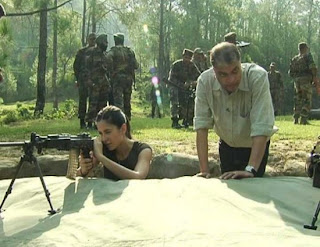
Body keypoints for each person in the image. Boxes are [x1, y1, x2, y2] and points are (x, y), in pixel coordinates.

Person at [194, 42, 275, 180]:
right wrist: (204, 170)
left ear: (240, 63)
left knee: (255, 191)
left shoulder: (257, 77)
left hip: (255, 147)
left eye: (235, 71)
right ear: (213, 71)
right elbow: (201, 126)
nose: (231, 80)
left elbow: (262, 126)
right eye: (223, 74)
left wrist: (251, 169)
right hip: (227, 146)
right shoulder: (204, 82)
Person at [77, 105, 152, 180]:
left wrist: (101, 157)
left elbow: (138, 177)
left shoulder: (143, 150)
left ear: (123, 129)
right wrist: (83, 170)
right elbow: (74, 176)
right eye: (101, 133)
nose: (104, 138)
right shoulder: (103, 147)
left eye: (108, 132)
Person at [106, 33, 139, 120]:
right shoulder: (129, 51)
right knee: (127, 100)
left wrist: (111, 70)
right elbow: (136, 65)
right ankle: (127, 119)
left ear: (115, 41)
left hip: (117, 78)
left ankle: (120, 119)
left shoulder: (113, 51)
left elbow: (107, 59)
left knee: (118, 100)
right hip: (128, 78)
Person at [168, 48, 200, 128]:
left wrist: (191, 83)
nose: (187, 59)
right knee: (174, 99)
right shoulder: (176, 65)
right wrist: (182, 85)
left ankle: (186, 119)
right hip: (175, 86)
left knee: (189, 99)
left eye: (189, 58)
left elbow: (199, 77)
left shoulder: (192, 66)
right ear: (183, 57)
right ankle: (174, 120)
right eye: (185, 57)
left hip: (186, 89)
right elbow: (171, 79)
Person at [85, 34, 112, 129]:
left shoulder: (105, 54)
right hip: (94, 82)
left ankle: (100, 123)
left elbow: (108, 68)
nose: (107, 44)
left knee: (103, 104)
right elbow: (86, 68)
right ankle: (89, 122)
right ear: (100, 43)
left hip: (104, 82)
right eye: (105, 42)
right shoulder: (91, 53)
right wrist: (88, 80)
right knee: (93, 102)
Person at [289, 42, 320, 125]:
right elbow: (312, 67)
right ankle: (303, 118)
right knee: (307, 100)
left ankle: (295, 118)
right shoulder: (308, 57)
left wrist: (296, 79)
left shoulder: (294, 59)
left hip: (297, 82)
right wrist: (314, 78)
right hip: (306, 80)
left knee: (298, 100)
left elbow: (290, 73)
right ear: (305, 48)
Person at [73, 33, 96, 129]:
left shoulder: (97, 52)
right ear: (87, 40)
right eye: (91, 39)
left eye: (94, 39)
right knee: (82, 101)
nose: (92, 41)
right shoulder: (81, 52)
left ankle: (90, 122)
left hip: (94, 80)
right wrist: (78, 79)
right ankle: (82, 121)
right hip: (83, 80)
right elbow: (76, 66)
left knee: (92, 101)